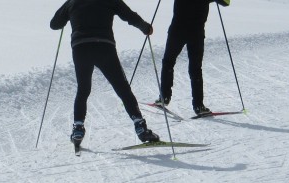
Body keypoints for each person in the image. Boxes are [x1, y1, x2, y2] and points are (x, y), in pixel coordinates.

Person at [50, 0, 160, 146]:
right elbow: (129, 15)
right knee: (122, 88)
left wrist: (66, 15)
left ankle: (78, 128)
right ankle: (140, 127)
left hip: (81, 48)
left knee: (83, 89)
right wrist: (145, 27)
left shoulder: (72, 1)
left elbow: (54, 24)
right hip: (104, 46)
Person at [155, 0, 230, 115]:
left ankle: (164, 98)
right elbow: (226, 2)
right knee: (195, 69)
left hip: (178, 30)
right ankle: (199, 106)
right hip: (196, 33)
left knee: (168, 62)